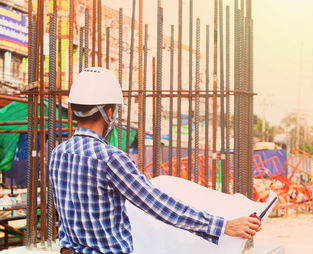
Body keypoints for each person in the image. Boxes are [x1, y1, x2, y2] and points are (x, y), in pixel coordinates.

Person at [49, 67, 261, 254]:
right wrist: (223, 226)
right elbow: (161, 206)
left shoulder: (58, 154)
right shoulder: (110, 159)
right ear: (109, 112)